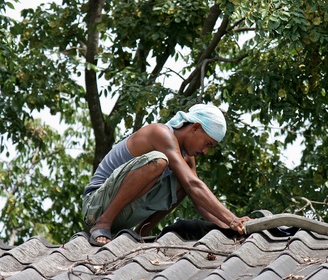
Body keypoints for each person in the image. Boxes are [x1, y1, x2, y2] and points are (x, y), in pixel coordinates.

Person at [82, 104, 251, 246]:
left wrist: (230, 229)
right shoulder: (160, 133)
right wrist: (232, 218)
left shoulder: (187, 158)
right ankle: (103, 223)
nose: (205, 151)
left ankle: (140, 233)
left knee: (184, 184)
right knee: (159, 161)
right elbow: (194, 184)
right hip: (96, 206)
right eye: (207, 143)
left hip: (123, 216)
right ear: (195, 127)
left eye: (210, 147)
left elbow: (197, 198)